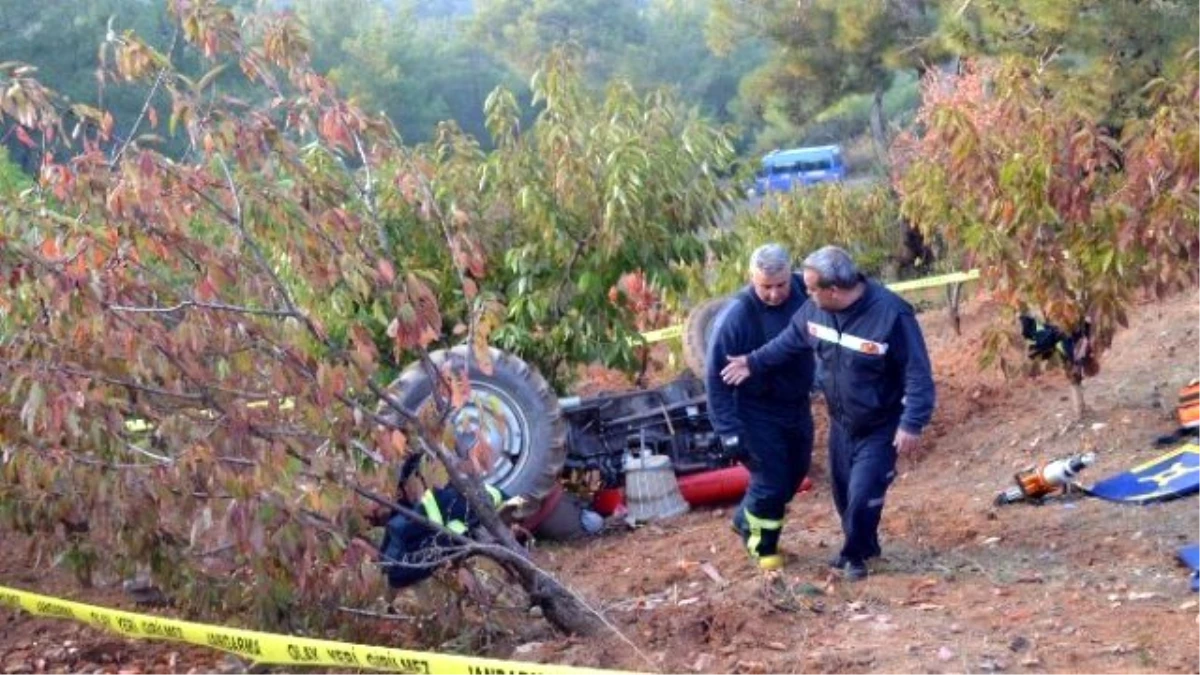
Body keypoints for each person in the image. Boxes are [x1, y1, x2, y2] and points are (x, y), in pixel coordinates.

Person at [722, 245, 935, 581]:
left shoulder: (891, 315)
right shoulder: (814, 311)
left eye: (810, 288)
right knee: (845, 494)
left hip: (880, 424)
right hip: (841, 423)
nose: (804, 294)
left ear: (833, 290)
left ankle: (854, 557)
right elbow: (787, 341)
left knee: (864, 493)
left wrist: (912, 422)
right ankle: (866, 544)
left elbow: (918, 374)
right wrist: (752, 362)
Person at [706, 243, 815, 571]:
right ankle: (762, 548)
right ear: (751, 278)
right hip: (755, 410)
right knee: (769, 481)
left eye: (780, 285)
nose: (774, 293)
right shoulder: (737, 316)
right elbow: (716, 379)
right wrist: (728, 432)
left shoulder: (805, 290)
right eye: (765, 287)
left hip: (796, 405)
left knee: (794, 475)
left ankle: (744, 519)